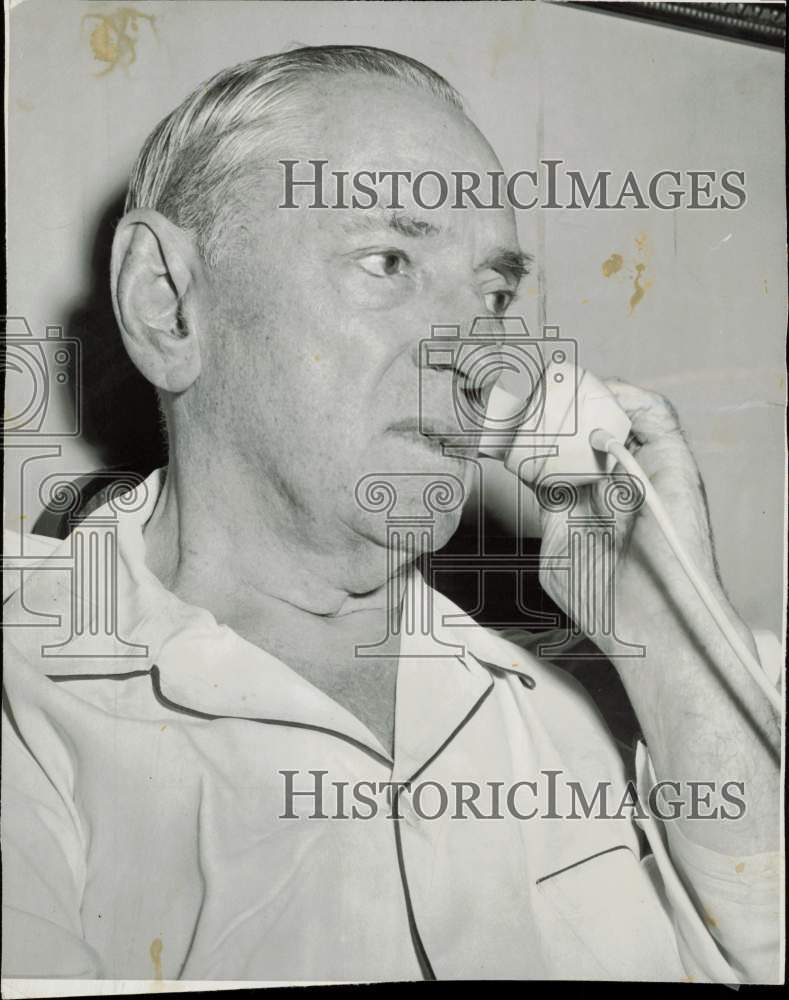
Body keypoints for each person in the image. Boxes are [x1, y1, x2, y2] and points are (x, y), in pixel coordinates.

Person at [2, 45, 781, 983]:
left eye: (492, 294)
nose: (481, 360)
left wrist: (670, 641)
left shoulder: (620, 679)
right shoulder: (25, 684)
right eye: (388, 260)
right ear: (167, 304)